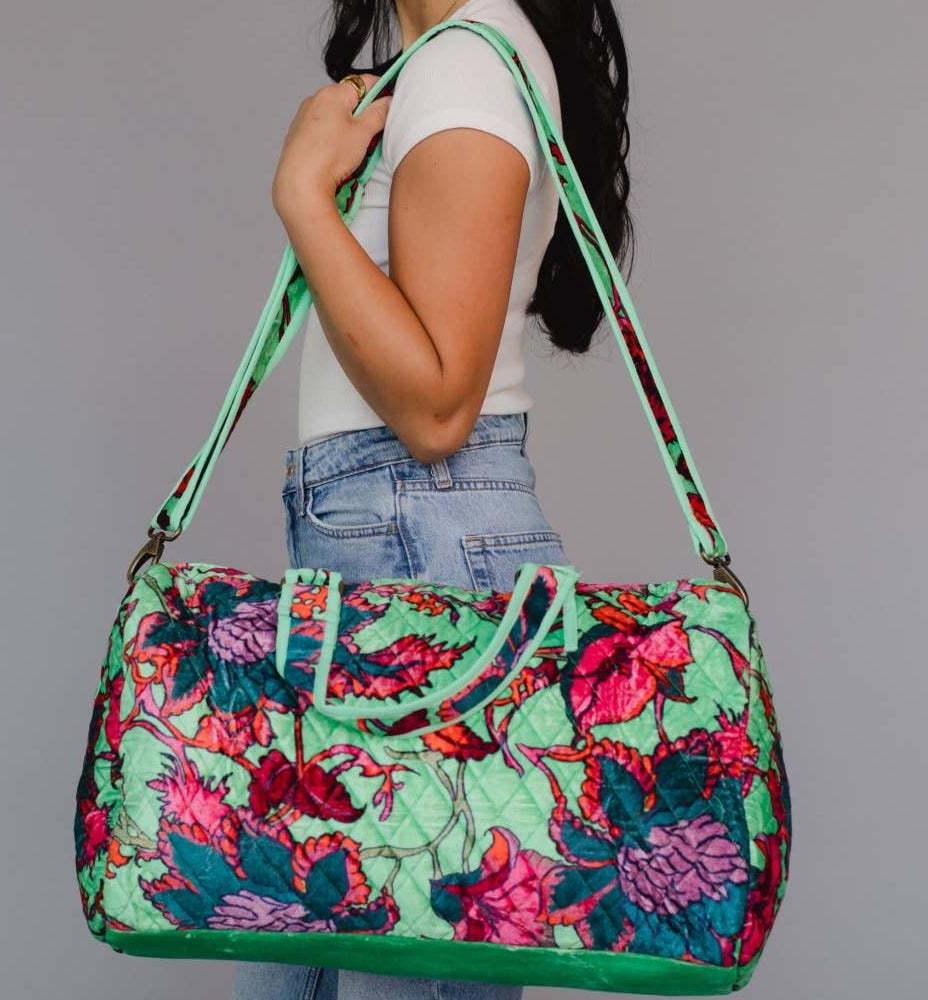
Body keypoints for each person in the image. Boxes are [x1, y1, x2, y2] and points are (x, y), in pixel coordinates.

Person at [231, 1, 633, 997]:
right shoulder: (437, 62)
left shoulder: (464, 66)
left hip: (421, 546)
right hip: (401, 545)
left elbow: (439, 402)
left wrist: (300, 195)